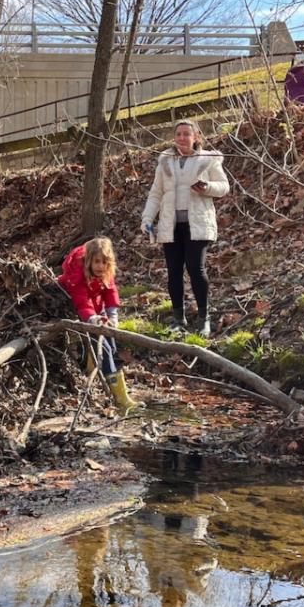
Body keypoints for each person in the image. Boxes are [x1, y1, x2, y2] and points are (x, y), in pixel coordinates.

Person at [141, 120, 229, 336]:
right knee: (173, 272)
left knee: (195, 269)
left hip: (197, 223)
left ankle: (203, 318)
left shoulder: (208, 160)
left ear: (196, 136)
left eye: (186, 134)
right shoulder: (165, 161)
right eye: (178, 134)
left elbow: (224, 187)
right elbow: (156, 193)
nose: (182, 138)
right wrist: (147, 218)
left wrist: (206, 187)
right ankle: (178, 318)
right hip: (171, 225)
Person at [58, 237, 138, 412]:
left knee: (110, 342)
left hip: (97, 308)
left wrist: (112, 314)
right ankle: (120, 398)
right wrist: (93, 319)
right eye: (96, 262)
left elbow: (110, 291)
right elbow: (82, 301)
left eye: (104, 262)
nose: (101, 266)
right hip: (81, 311)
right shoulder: (77, 276)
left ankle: (93, 368)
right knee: (104, 349)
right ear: (88, 261)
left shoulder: (105, 272)